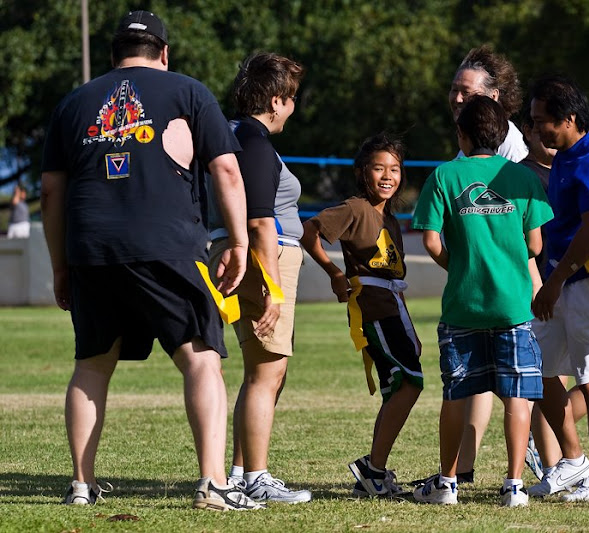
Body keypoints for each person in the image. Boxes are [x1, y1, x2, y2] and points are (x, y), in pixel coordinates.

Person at [40, 11, 261, 511]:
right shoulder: (188, 91)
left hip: (92, 249)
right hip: (168, 244)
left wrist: (61, 265)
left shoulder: (73, 103)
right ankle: (212, 484)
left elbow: (51, 192)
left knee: (92, 365)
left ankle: (81, 486)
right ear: (164, 52)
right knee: (201, 358)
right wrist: (239, 243)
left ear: (114, 54)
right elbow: (227, 170)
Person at [411, 96, 553, 507]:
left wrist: (458, 266)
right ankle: (514, 485)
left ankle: (447, 483)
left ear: (461, 134)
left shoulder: (444, 175)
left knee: (457, 394)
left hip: (463, 305)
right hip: (514, 306)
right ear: (503, 134)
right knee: (517, 395)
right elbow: (536, 244)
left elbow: (430, 239)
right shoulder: (522, 177)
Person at [206, 52, 310, 504]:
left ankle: (240, 471)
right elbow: (260, 223)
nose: (292, 108)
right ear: (275, 100)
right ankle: (256, 477)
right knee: (267, 372)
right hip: (263, 259)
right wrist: (273, 288)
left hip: (237, 254)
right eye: (291, 98)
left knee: (259, 372)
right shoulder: (255, 141)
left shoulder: (228, 134)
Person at [300, 133, 423, 498]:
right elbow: (309, 231)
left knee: (398, 387)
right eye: (378, 168)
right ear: (361, 172)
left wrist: (409, 324)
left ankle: (374, 472)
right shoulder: (354, 208)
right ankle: (373, 468)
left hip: (393, 307)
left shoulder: (391, 219)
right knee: (410, 383)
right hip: (373, 306)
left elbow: (395, 276)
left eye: (395, 169)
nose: (388, 176)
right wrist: (334, 272)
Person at [525, 76, 589, 502]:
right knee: (539, 371)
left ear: (568, 119)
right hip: (562, 280)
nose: (535, 129)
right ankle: (573, 460)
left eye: (541, 121)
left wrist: (554, 280)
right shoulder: (564, 157)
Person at [447, 43, 528, 485]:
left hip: (512, 280)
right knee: (479, 380)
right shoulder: (466, 149)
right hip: (485, 282)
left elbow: (521, 226)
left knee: (525, 381)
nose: (458, 97)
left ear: (494, 96)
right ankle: (463, 468)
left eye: (468, 91)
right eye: (455, 90)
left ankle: (555, 460)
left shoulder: (508, 146)